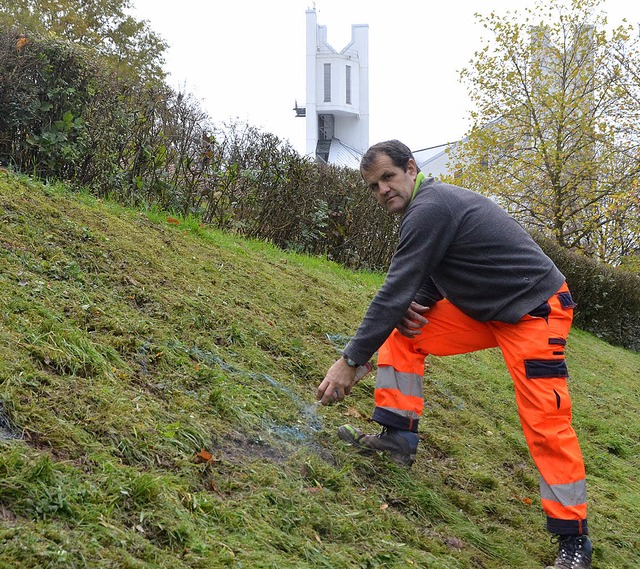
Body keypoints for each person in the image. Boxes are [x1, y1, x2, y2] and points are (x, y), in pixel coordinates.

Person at [316, 140, 592, 569]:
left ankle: (574, 540)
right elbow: (430, 275)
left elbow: (394, 289)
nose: (382, 190)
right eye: (373, 186)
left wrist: (350, 361)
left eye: (388, 177)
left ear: (411, 168)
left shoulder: (430, 207)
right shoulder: (426, 206)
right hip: (488, 310)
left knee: (545, 422)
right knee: (405, 330)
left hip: (535, 310)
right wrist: (417, 304)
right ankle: (397, 439)